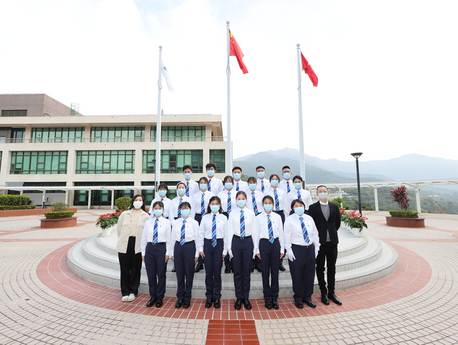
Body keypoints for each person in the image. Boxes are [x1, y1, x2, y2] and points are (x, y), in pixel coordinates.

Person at [307, 185, 342, 306]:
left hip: (332, 242)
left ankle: (331, 292)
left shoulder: (334, 207)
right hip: (319, 244)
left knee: (332, 268)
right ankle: (323, 292)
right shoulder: (312, 208)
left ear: (328, 193)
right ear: (317, 194)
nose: (322, 193)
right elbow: (310, 226)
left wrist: (331, 233)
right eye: (320, 191)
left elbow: (337, 223)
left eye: (324, 191)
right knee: (320, 268)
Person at [284, 199, 320, 309]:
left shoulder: (309, 218)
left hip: (309, 248)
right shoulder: (289, 220)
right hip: (297, 249)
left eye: (301, 205)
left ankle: (308, 297)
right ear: (293, 208)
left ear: (304, 207)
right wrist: (289, 250)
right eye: (296, 206)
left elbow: (315, 233)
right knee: (297, 274)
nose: (299, 207)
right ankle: (298, 297)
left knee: (309, 274)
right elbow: (286, 236)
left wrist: (317, 247)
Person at [226, 191, 259, 310]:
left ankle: (246, 297)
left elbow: (255, 231)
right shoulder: (232, 214)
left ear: (246, 200)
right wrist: (229, 247)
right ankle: (238, 297)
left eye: (243, 198)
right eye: (238, 198)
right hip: (236, 242)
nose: (241, 200)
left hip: (248, 242)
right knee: (237, 272)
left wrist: (255, 248)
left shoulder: (251, 213)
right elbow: (229, 231)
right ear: (236, 200)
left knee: (246, 271)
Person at [116, 195, 150, 302]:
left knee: (135, 269)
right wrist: (123, 239)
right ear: (133, 201)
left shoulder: (146, 216)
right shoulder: (124, 214)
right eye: (136, 200)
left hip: (138, 245)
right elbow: (119, 229)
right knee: (124, 268)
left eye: (140, 200)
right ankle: (125, 291)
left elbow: (146, 234)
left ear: (143, 202)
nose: (138, 202)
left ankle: (133, 291)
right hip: (125, 243)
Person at [254, 195, 284, 310]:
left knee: (275, 272)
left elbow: (281, 234)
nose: (268, 204)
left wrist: (282, 249)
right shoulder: (258, 218)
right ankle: (267, 297)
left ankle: (274, 297)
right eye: (265, 202)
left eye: (270, 202)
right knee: (265, 272)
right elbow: (256, 235)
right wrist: (256, 250)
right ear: (262, 204)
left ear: (273, 204)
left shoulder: (277, 217)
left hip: (275, 244)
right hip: (264, 244)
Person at [198, 196, 227, 309]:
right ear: (209, 205)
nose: (214, 205)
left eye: (216, 203)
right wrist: (201, 249)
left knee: (217, 272)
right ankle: (209, 296)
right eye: (212, 203)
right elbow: (201, 233)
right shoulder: (205, 217)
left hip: (219, 245)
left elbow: (226, 234)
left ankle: (217, 297)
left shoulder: (224, 218)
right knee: (209, 272)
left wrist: (225, 250)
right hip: (208, 245)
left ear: (220, 205)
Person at [141, 201, 171, 308]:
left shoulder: (167, 222)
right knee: (151, 274)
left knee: (161, 273)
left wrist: (167, 252)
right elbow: (144, 238)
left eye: (159, 208)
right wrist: (143, 252)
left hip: (161, 248)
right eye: (155, 208)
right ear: (152, 209)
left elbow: (169, 239)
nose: (157, 209)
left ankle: (160, 297)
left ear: (163, 209)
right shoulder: (148, 222)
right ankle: (153, 296)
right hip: (150, 248)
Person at [170, 202, 199, 309]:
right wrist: (172, 252)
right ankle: (180, 297)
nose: (184, 210)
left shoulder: (195, 223)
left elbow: (197, 238)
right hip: (178, 247)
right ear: (180, 210)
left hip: (189, 247)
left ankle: (187, 297)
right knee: (180, 274)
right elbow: (173, 238)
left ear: (190, 210)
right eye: (182, 208)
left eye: (186, 208)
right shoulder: (175, 222)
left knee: (189, 273)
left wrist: (196, 253)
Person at [170, 182, 195, 272]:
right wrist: (174, 223)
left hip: (187, 223)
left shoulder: (190, 200)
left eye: (183, 187)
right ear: (177, 190)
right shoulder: (173, 201)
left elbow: (192, 213)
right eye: (179, 187)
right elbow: (171, 214)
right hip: (176, 223)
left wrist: (188, 222)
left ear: (185, 189)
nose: (181, 189)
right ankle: (176, 265)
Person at [193, 176, 215, 272]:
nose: (202, 184)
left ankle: (207, 259)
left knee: (207, 238)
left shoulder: (211, 194)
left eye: (204, 182)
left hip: (208, 217)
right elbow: (193, 209)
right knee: (199, 237)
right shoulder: (194, 196)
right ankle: (200, 262)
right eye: (201, 182)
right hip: (198, 217)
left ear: (207, 184)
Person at [267, 174, 289, 271]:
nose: (274, 180)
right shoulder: (266, 191)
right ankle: (269, 261)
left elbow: (285, 205)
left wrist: (286, 217)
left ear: (279, 181)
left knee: (281, 236)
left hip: (280, 214)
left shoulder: (282, 192)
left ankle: (280, 261)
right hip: (270, 213)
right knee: (272, 235)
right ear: (270, 181)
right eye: (273, 179)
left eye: (276, 179)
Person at [218, 175, 237, 273]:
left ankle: (234, 263)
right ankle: (227, 265)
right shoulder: (220, 194)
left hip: (234, 216)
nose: (228, 182)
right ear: (224, 183)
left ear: (233, 184)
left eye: (230, 181)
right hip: (224, 215)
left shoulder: (237, 194)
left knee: (233, 239)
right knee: (226, 238)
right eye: (226, 181)